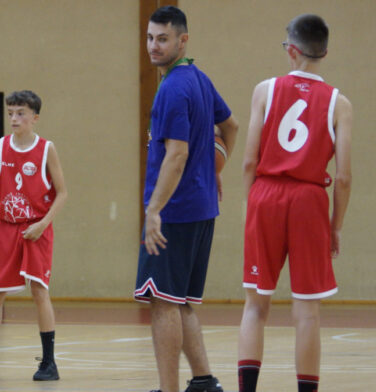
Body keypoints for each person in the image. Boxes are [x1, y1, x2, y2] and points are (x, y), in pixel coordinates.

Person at [238, 14, 352, 392]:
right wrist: (334, 227)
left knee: (256, 306)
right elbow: (345, 176)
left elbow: (250, 161)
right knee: (307, 313)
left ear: (291, 50)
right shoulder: (340, 103)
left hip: (267, 194)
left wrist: (249, 204)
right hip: (309, 201)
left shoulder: (264, 90)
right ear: (324, 52)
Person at [134, 6, 238, 392]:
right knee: (180, 301)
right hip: (201, 207)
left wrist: (154, 210)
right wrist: (214, 171)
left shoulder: (174, 87)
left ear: (183, 40)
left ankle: (168, 389)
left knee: (162, 302)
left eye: (162, 38)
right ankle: (204, 381)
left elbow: (176, 154)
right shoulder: (198, 77)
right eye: (149, 37)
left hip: (174, 212)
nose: (153, 46)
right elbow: (231, 126)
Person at [0, 90, 67, 381]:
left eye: (20, 113)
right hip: (6, 226)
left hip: (35, 228)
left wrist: (43, 224)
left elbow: (63, 193)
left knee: (39, 291)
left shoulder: (47, 149)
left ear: (35, 117)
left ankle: (48, 363)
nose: (14, 118)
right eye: (10, 113)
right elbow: (0, 187)